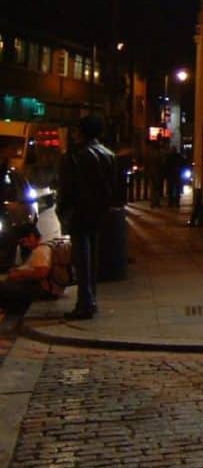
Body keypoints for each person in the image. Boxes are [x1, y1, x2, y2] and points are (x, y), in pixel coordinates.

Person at [57, 114, 118, 320]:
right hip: (98, 213)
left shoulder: (75, 156)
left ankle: (85, 303)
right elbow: (114, 188)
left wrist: (63, 211)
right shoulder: (108, 155)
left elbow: (67, 188)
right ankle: (91, 300)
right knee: (92, 258)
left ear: (81, 132)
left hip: (79, 212)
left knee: (81, 260)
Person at [0, 224, 65, 311]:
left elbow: (42, 272)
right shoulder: (45, 245)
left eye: (24, 241)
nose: (24, 245)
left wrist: (19, 274)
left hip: (45, 290)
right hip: (50, 288)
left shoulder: (41, 250)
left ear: (31, 236)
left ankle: (14, 309)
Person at [143, 138, 164, 208]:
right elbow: (161, 162)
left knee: (152, 187)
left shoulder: (148, 153)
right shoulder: (159, 153)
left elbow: (146, 162)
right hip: (157, 171)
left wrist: (146, 171)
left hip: (151, 171)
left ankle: (152, 202)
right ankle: (157, 202)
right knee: (157, 187)